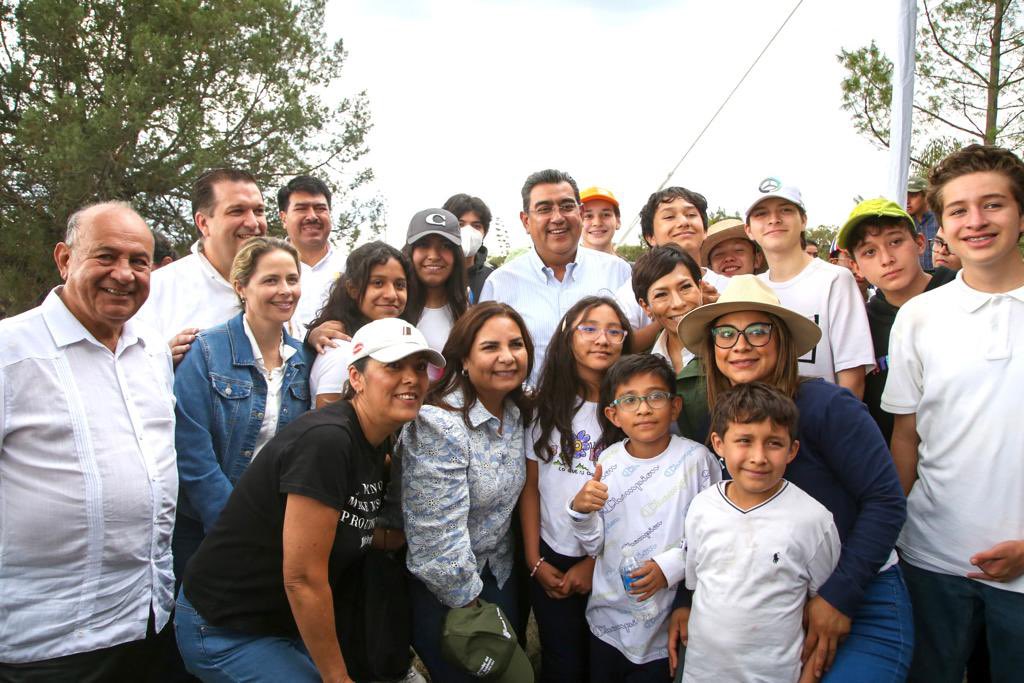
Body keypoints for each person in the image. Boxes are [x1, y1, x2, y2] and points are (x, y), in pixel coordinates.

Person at [176, 318, 442, 682]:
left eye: (418, 367)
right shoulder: (327, 442)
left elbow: (349, 527)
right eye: (394, 366)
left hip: (284, 623)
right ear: (356, 377)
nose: (411, 378)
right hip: (226, 627)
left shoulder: (376, 441)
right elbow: (302, 578)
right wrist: (338, 679)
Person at [673, 275, 911, 682]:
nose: (741, 345)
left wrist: (838, 598)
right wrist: (686, 599)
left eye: (757, 331)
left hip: (859, 589)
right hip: (767, 603)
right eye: (726, 333)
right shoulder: (722, 419)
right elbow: (714, 517)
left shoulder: (827, 405)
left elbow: (886, 501)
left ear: (781, 341)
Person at [0, 202, 177, 678]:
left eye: (139, 261)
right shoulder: (10, 352)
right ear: (64, 259)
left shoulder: (152, 349)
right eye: (105, 257)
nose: (123, 274)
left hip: (149, 619)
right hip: (50, 641)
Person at [883, 144, 1024, 682]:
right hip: (932, 560)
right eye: (959, 210)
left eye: (993, 205)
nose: (976, 221)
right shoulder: (919, 316)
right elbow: (906, 438)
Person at [401, 302, 535, 682]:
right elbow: (435, 536)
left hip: (499, 573)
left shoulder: (514, 411)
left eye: (516, 344)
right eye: (491, 347)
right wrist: (471, 604)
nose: (507, 357)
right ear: (462, 359)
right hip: (448, 592)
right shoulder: (438, 425)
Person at [569, 354, 721, 682]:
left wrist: (670, 567)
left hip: (667, 626)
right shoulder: (607, 462)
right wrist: (581, 511)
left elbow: (715, 535)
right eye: (630, 400)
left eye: (655, 396)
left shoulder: (696, 461)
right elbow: (595, 543)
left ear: (675, 406)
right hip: (608, 623)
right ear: (614, 414)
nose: (643, 408)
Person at [678, 383, 840, 683]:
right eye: (744, 440)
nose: (758, 457)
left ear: (792, 450)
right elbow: (697, 584)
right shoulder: (702, 507)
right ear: (718, 444)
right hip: (702, 673)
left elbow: (819, 611)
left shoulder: (814, 520)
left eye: (774, 443)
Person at [172, 237, 313, 579]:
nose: (285, 290)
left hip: (276, 526)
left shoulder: (304, 359)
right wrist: (235, 525)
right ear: (241, 287)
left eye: (292, 279)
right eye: (270, 280)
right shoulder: (205, 352)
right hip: (209, 529)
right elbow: (192, 451)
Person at [523, 296, 631, 683]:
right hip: (551, 556)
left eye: (614, 330)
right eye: (589, 328)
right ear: (567, 337)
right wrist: (535, 561)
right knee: (561, 662)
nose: (602, 339)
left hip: (610, 560)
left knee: (603, 663)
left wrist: (594, 563)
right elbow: (532, 488)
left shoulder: (633, 410)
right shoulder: (543, 407)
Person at [480, 169, 631, 385]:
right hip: (530, 415)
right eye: (544, 209)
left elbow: (636, 343)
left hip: (606, 413)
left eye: (567, 207)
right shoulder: (500, 284)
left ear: (580, 212)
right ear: (525, 221)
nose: (558, 218)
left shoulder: (618, 272)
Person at [834, 198, 955, 443]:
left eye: (896, 242)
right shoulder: (860, 324)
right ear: (856, 267)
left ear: (920, 243)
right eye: (870, 251)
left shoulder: (960, 291)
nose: (886, 258)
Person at [745, 181, 874, 398]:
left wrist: (838, 427)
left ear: (803, 220)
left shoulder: (835, 279)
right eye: (761, 213)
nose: (773, 219)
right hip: (764, 424)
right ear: (748, 230)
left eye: (785, 210)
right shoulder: (750, 287)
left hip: (823, 421)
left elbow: (852, 373)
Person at [137, 168, 269, 364]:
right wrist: (162, 361)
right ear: (203, 223)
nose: (252, 222)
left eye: (258, 211)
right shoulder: (155, 290)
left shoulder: (291, 285)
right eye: (237, 211)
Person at [614, 187, 728, 353]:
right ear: (650, 237)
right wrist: (669, 315)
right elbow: (618, 346)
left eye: (691, 215)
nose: (683, 222)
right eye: (669, 217)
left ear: (705, 231)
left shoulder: (732, 286)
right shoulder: (628, 293)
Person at [307, 241, 412, 407]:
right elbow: (328, 425)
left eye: (400, 285)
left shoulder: (394, 340)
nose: (391, 294)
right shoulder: (343, 352)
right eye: (378, 283)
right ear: (352, 289)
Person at [630, 245, 708, 442]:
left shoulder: (731, 350)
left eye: (685, 287)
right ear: (645, 306)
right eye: (661, 294)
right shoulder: (641, 365)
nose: (678, 303)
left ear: (700, 288)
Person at [277, 175, 347, 330]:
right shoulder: (265, 267)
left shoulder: (349, 268)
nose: (312, 216)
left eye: (320, 208)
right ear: (283, 218)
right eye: (301, 209)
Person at [402, 208, 469, 357]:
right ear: (410, 252)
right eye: (423, 245)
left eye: (445, 246)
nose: (433, 256)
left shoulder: (468, 311)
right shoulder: (392, 308)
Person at [444, 192, 495, 302]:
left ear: (484, 233)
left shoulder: (493, 279)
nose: (468, 231)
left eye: (476, 226)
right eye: (460, 224)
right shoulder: (433, 273)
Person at [579, 186, 626, 258]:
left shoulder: (630, 269)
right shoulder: (562, 268)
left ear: (618, 221)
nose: (597, 223)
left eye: (606, 215)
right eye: (588, 216)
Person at [906, 176, 939, 271]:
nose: (907, 201)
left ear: (926, 196)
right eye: (906, 195)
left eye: (913, 195)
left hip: (942, 277)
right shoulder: (907, 224)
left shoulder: (939, 219)